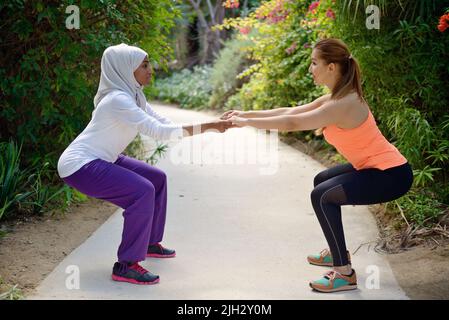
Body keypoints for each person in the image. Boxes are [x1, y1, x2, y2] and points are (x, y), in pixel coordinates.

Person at [221, 38, 413, 293]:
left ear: (331, 67)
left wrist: (246, 124)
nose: (310, 69)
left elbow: (293, 124)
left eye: (314, 63)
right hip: (374, 168)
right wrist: (243, 115)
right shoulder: (337, 97)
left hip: (391, 175)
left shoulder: (343, 104)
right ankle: (337, 251)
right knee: (322, 181)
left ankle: (344, 274)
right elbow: (290, 112)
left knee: (322, 196)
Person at [57, 43, 233, 285]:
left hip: (103, 157)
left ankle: (149, 242)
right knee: (142, 190)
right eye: (144, 65)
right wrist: (210, 126)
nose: (151, 69)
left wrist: (206, 126)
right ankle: (126, 264)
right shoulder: (118, 99)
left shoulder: (134, 94)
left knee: (156, 179)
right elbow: (160, 132)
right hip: (81, 165)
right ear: (125, 69)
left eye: (148, 63)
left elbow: (163, 121)